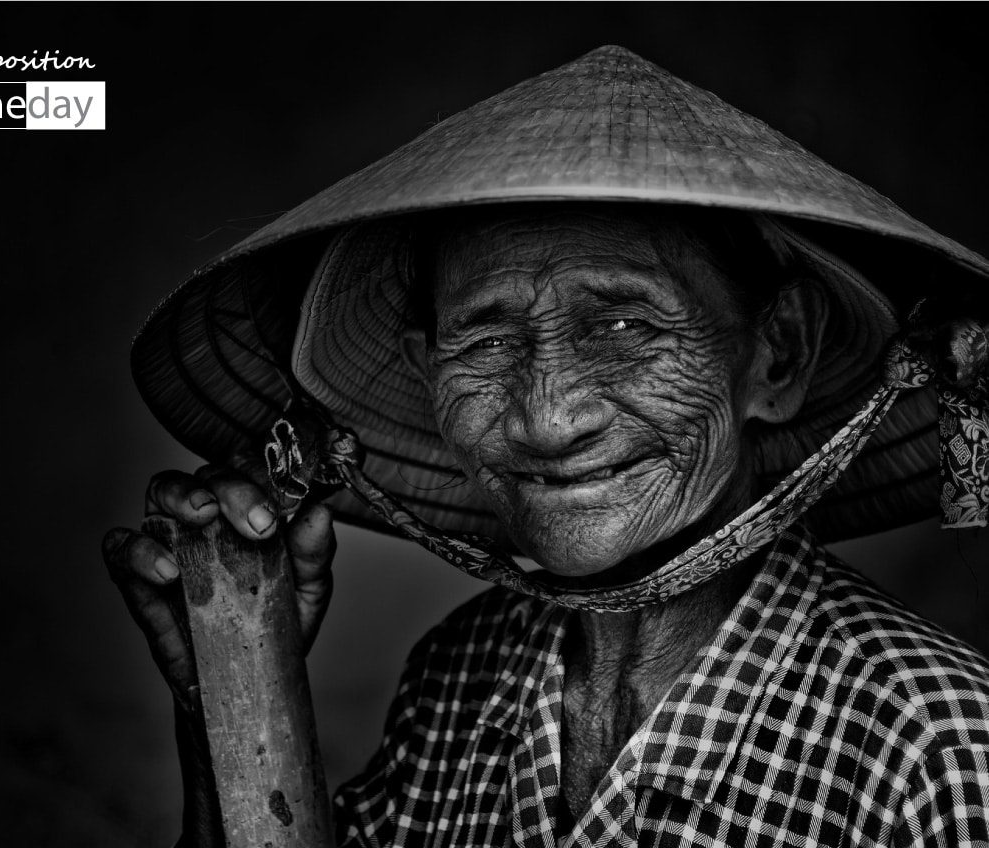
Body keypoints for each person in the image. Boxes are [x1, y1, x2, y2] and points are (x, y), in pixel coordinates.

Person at [104, 47, 989, 846]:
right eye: (485, 343)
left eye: (622, 324)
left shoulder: (940, 751)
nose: (546, 420)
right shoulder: (461, 673)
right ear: (424, 373)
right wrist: (230, 684)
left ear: (778, 355)